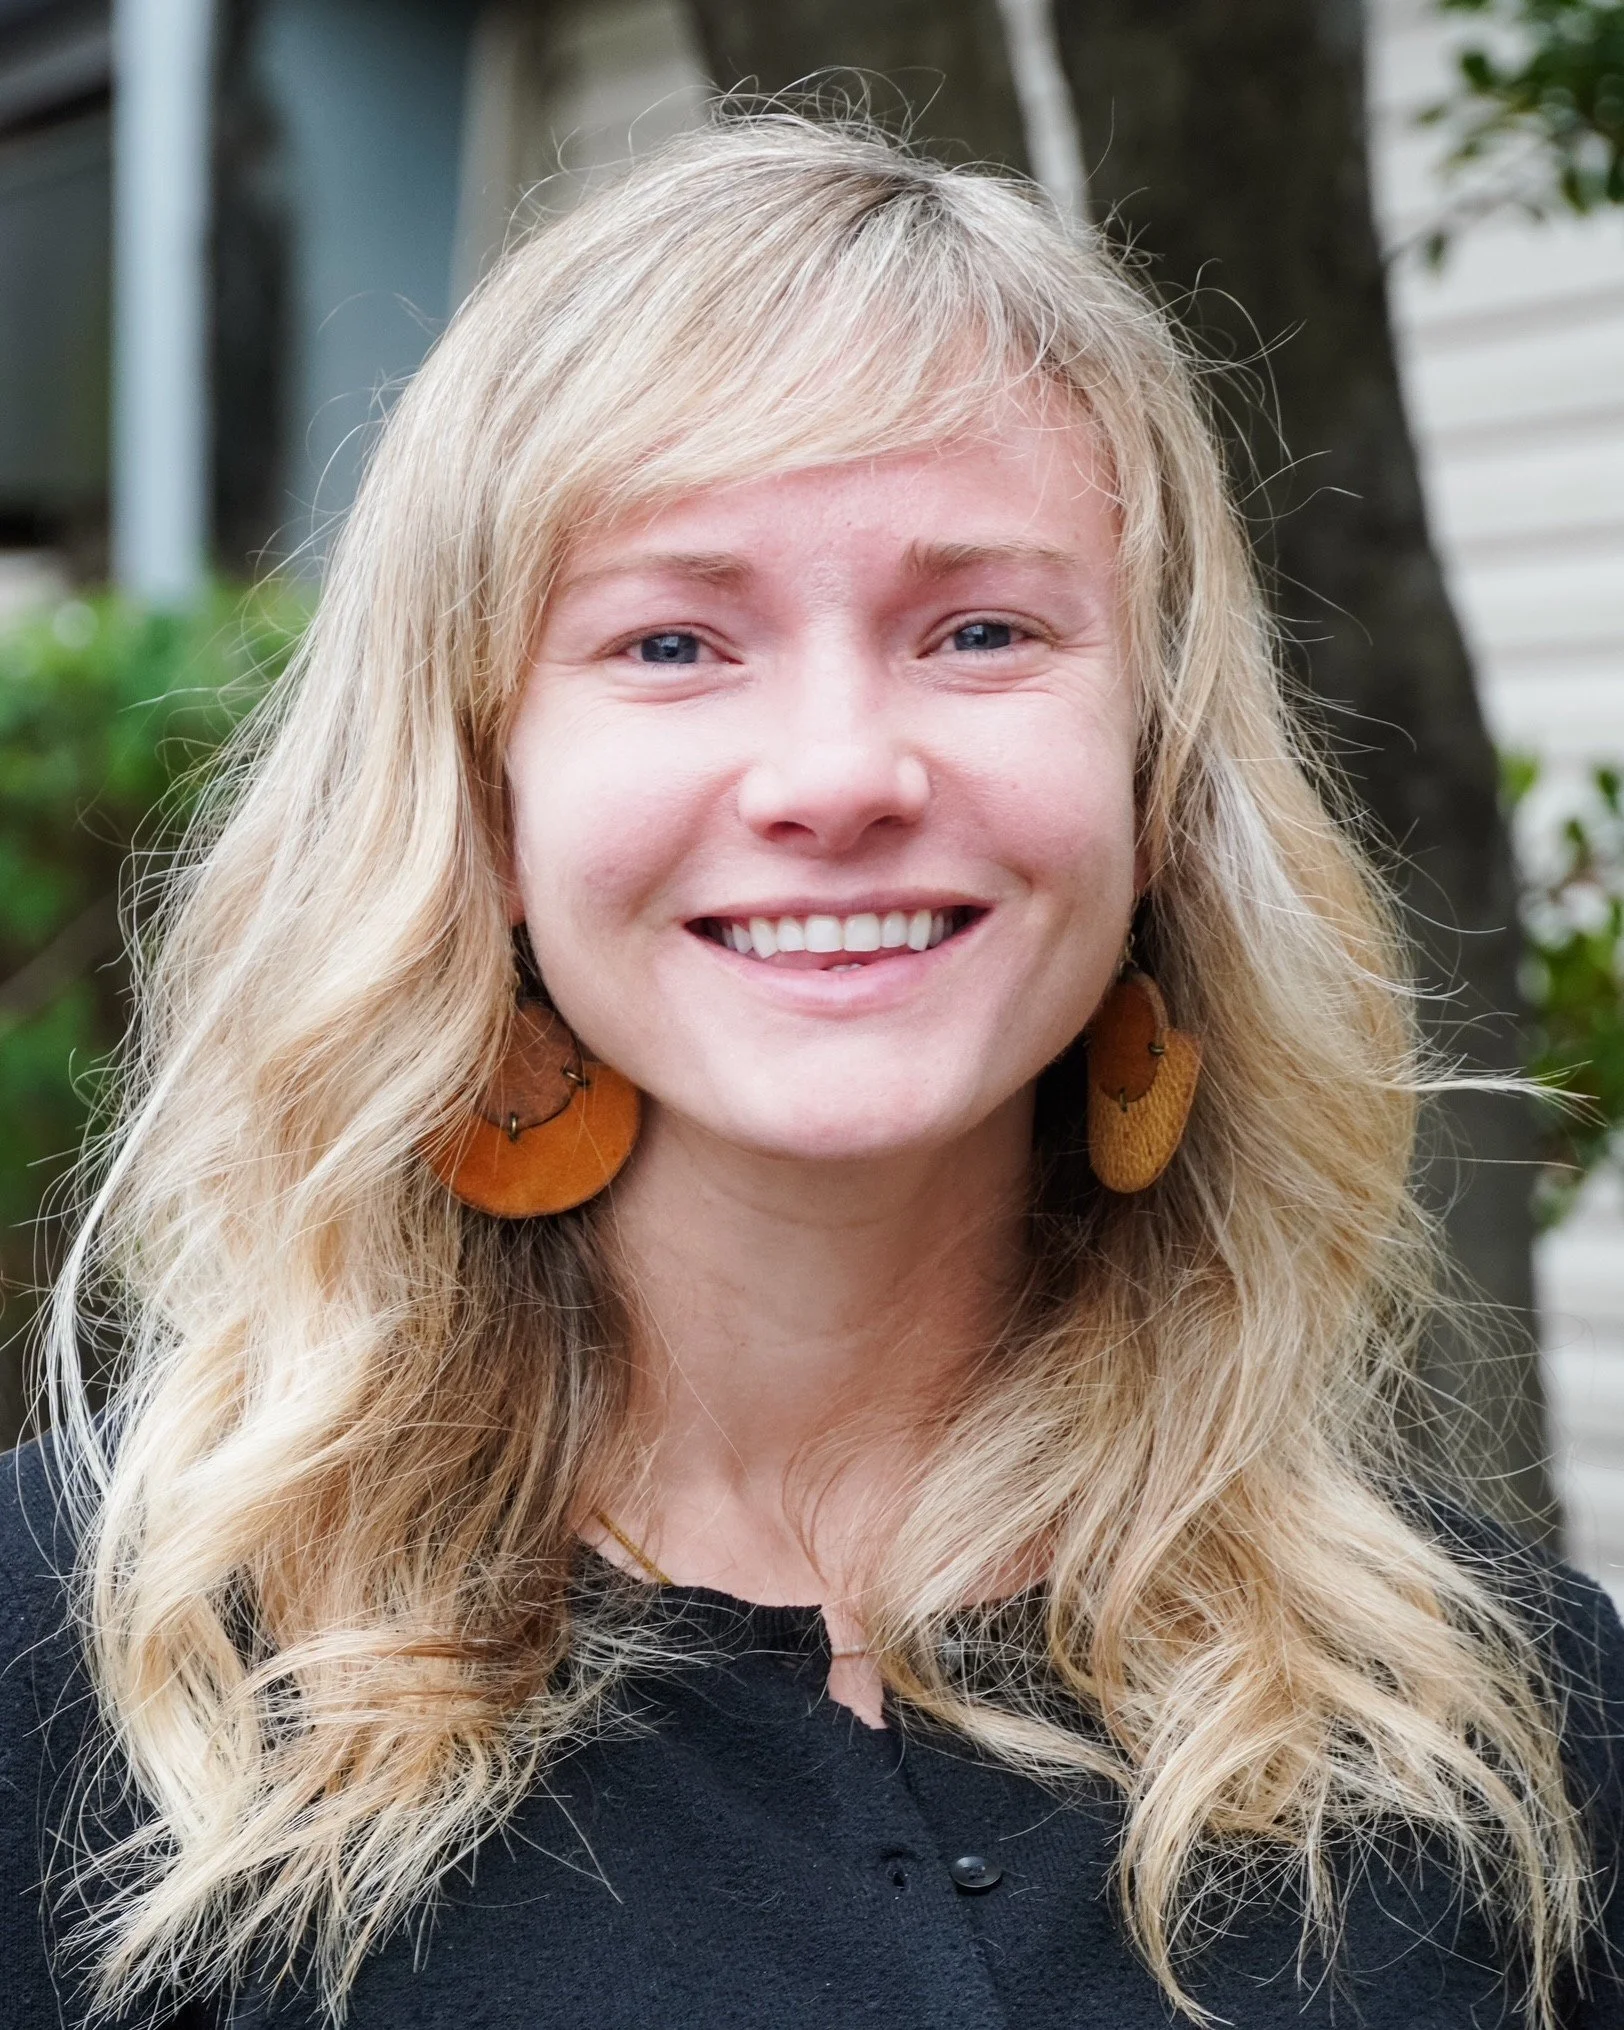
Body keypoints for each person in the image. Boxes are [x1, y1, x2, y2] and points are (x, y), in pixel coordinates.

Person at [2, 116, 1619, 2030]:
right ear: (483, 797)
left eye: (983, 629)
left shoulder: (1503, 1722)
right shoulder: (93, 1673)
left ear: (1160, 781)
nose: (841, 773)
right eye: (676, 638)